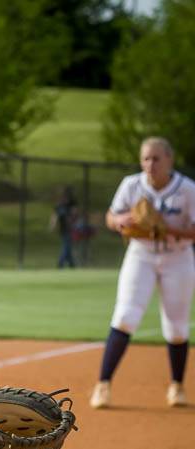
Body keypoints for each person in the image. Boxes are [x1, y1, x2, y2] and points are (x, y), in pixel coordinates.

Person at [91, 137, 195, 409]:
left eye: (156, 158)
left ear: (169, 160)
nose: (151, 164)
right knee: (125, 316)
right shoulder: (131, 185)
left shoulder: (187, 189)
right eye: (146, 158)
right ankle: (103, 385)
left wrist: (166, 229)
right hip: (142, 255)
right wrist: (120, 221)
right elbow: (111, 217)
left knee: (176, 327)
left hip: (178, 258)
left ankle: (177, 386)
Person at [50, 186, 78, 268]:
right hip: (63, 229)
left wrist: (72, 220)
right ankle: (69, 263)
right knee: (67, 245)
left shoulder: (72, 203)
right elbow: (54, 216)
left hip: (71, 228)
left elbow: (75, 213)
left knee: (67, 245)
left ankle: (64, 263)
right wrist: (52, 226)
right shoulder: (60, 205)